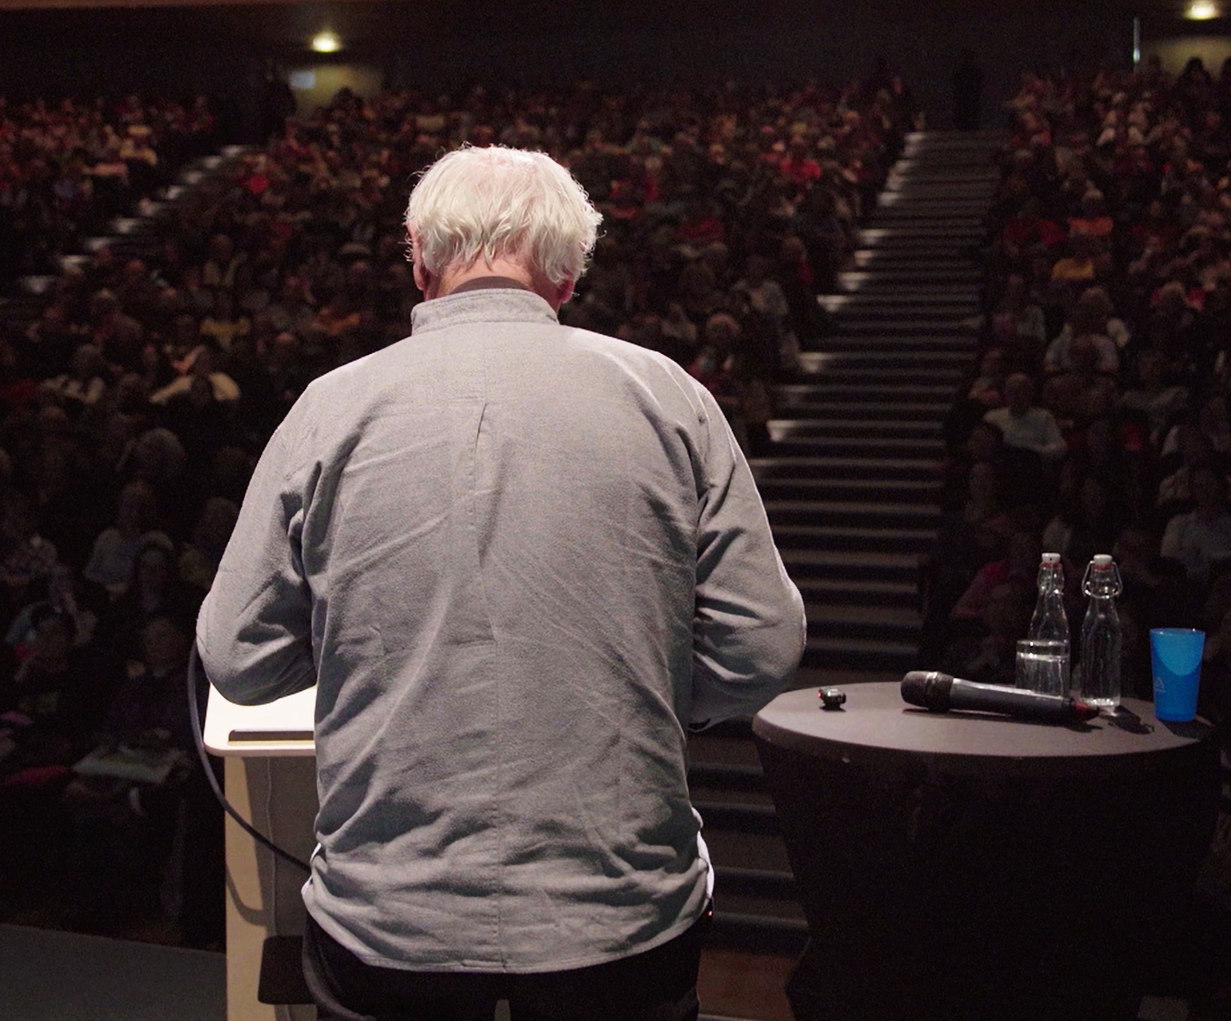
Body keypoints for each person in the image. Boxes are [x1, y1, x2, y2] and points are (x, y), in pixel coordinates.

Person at [198, 146, 806, 1021]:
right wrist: (643, 683)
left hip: (390, 918)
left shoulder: (328, 408)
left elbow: (240, 659)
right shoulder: (669, 398)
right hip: (619, 916)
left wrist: (374, 663)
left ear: (418, 257)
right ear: (565, 275)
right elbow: (760, 647)